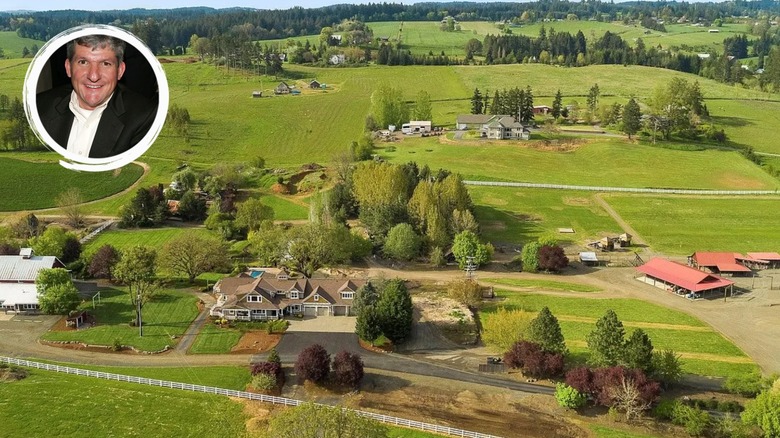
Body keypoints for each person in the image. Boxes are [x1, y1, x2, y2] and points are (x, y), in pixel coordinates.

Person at [37, 34, 157, 159]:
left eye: (105, 64)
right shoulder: (38, 108)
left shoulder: (146, 118)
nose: (93, 76)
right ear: (68, 68)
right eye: (83, 62)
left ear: (120, 71)